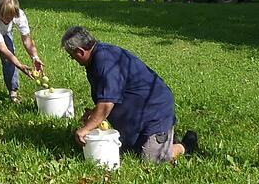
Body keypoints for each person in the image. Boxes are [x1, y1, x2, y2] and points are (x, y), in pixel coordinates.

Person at [61, 25, 198, 163]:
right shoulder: (97, 58)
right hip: (139, 114)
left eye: (72, 55)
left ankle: (185, 145)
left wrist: (84, 130)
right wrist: (94, 114)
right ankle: (161, 139)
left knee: (152, 159)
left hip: (155, 111)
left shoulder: (105, 62)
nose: (73, 59)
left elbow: (106, 104)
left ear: (80, 51)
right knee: (131, 151)